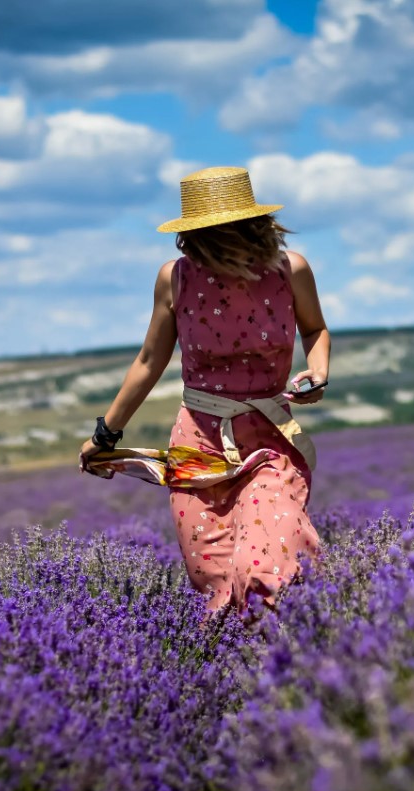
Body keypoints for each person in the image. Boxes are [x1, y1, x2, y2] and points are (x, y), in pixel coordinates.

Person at [78, 166, 331, 615]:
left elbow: (314, 329)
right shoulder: (175, 278)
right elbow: (149, 361)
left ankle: (302, 647)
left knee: (265, 569)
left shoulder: (290, 271)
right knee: (213, 584)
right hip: (197, 449)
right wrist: (105, 435)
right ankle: (242, 660)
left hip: (270, 442)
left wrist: (318, 371)